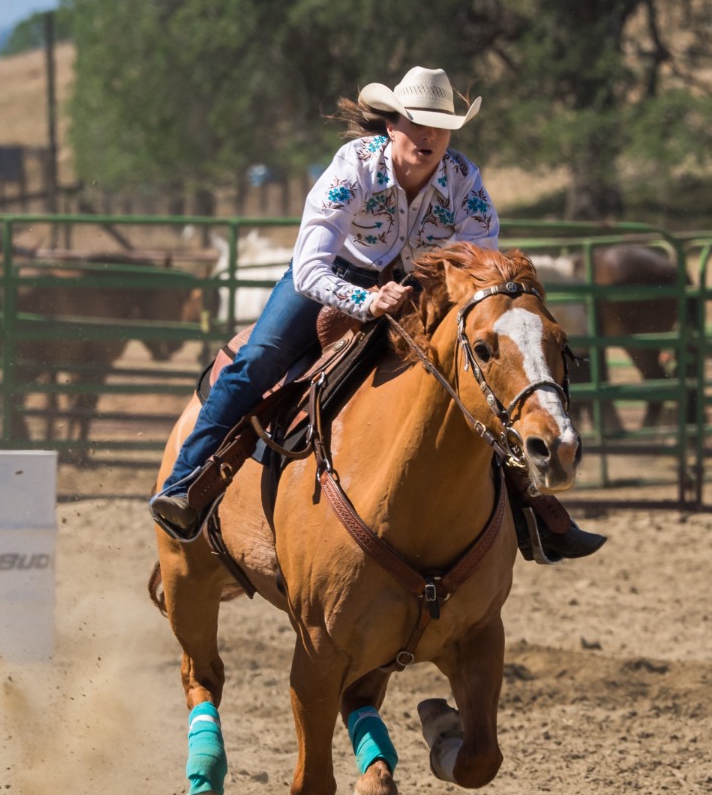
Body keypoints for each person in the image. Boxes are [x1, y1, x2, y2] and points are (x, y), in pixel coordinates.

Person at [149, 66, 604, 561]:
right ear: (392, 124)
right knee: (258, 358)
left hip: (419, 290)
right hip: (332, 280)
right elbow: (308, 269)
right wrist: (366, 301)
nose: (428, 135)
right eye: (416, 122)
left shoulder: (465, 183)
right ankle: (186, 483)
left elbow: (480, 274)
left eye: (439, 124)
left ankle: (534, 509)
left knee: (481, 377)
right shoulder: (355, 167)